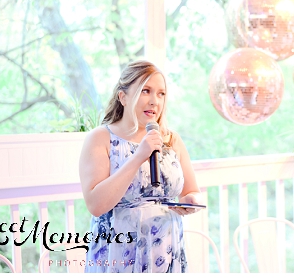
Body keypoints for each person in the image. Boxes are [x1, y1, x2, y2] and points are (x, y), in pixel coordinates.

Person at [78, 60, 203, 273]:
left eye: (161, 94)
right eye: (146, 91)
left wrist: (190, 201)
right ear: (123, 97)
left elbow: (191, 191)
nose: (155, 101)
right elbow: (96, 205)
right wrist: (138, 157)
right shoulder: (100, 138)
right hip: (119, 251)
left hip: (165, 249)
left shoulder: (171, 140)